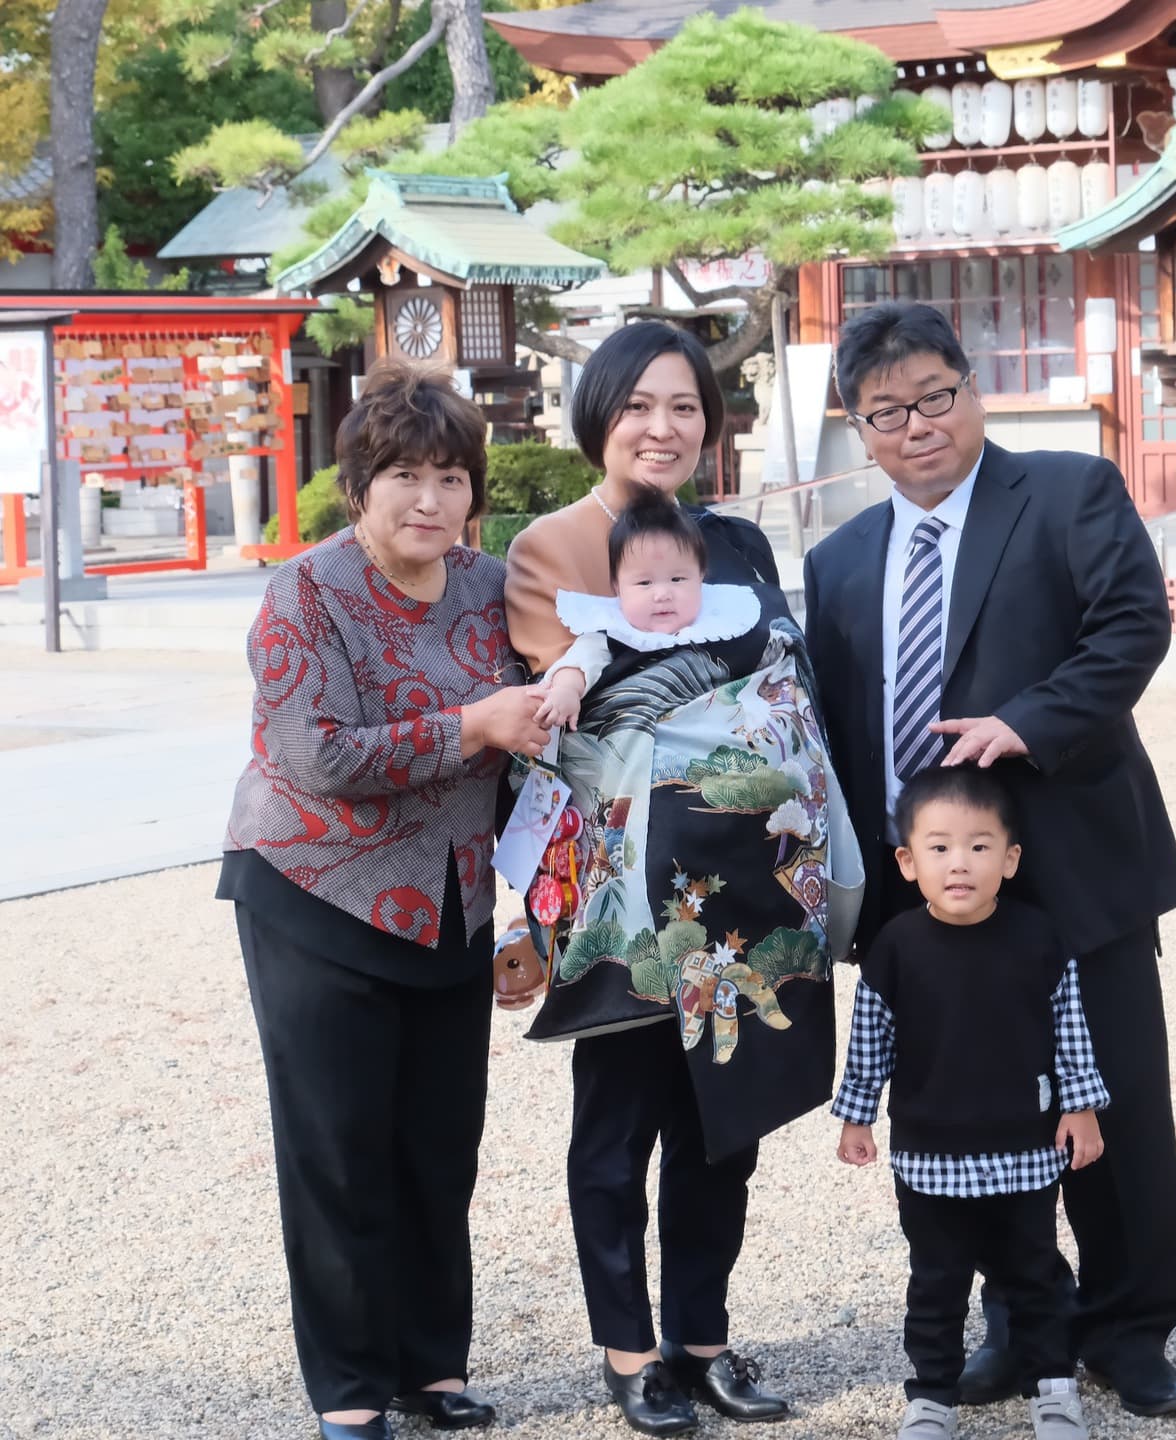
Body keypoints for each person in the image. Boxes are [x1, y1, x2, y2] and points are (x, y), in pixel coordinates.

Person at [803, 302, 1176, 1417]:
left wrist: (1026, 721)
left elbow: (1131, 627)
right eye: (886, 412)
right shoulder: (838, 563)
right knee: (973, 1118)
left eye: (935, 396)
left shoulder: (1068, 493)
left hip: (1072, 860)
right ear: (859, 427)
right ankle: (1021, 1325)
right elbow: (834, 724)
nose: (916, 425)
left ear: (972, 390)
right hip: (932, 903)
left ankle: (1130, 1327)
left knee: (1112, 1101)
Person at [506, 321, 860, 1437]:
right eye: (640, 405)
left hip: (744, 897)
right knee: (617, 1126)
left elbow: (788, 688)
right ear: (598, 413)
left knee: (728, 1122)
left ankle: (701, 1337)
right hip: (621, 893)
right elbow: (577, 724)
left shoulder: (737, 546)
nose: (663, 429)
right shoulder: (552, 549)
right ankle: (627, 1351)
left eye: (686, 408)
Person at [218, 359, 551, 1440]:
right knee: (339, 1147)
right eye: (403, 474)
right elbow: (316, 756)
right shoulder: (303, 592)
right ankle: (352, 1390)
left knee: (437, 1146)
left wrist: (535, 909)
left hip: (449, 909)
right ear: (356, 486)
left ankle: (430, 1368)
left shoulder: (491, 588)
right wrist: (475, 727)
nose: (429, 501)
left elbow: (548, 747)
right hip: (315, 894)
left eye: (451, 477)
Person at [834, 765, 1108, 1440]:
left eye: (980, 846)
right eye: (940, 847)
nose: (960, 864)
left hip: (1024, 1150)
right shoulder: (895, 950)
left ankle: (1052, 1387)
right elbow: (870, 1039)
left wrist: (1081, 1107)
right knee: (936, 1282)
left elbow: (1070, 1030)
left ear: (1010, 859)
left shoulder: (1039, 941)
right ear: (907, 860)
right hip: (930, 1155)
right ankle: (931, 1397)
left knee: (1035, 1275)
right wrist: (856, 1113)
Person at [534, 486, 761, 732]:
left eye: (678, 579)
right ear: (617, 588)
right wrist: (566, 690)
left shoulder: (721, 620)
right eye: (644, 583)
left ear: (701, 577)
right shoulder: (613, 631)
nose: (662, 594)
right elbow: (579, 663)